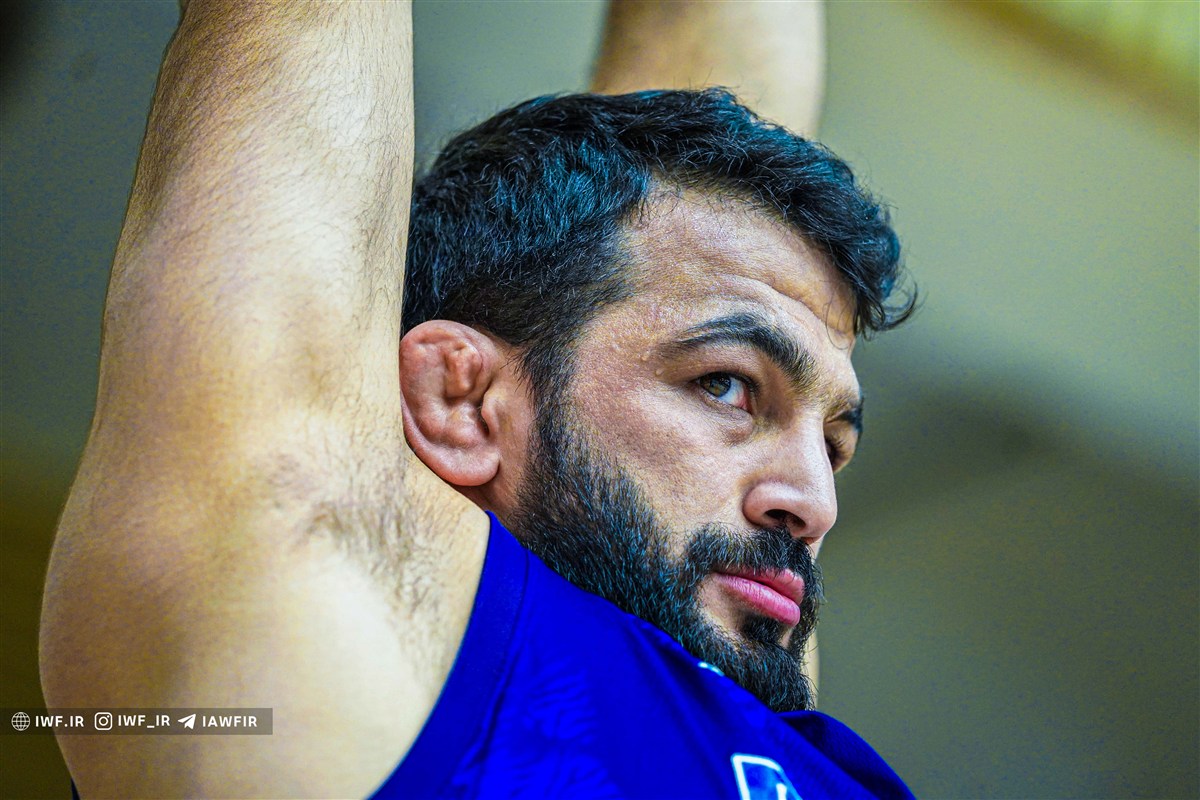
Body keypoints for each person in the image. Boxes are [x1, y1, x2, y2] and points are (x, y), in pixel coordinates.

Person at [40, 1, 914, 798]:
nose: (814, 504)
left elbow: (717, 201)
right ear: (461, 399)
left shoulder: (777, 717)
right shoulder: (361, 607)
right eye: (726, 387)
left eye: (835, 442)